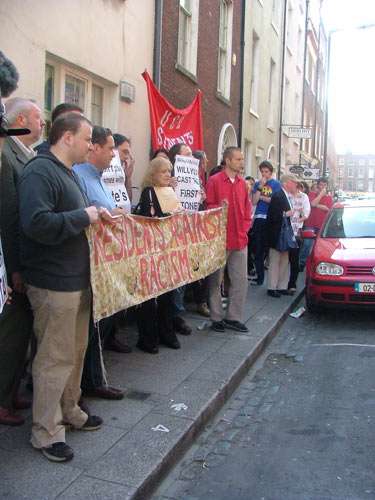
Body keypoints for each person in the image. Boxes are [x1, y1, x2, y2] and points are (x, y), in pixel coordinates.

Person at [19, 113, 104, 463]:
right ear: (67, 137)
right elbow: (36, 223)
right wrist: (85, 216)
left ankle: (70, 410)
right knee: (54, 358)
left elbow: (73, 214)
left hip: (76, 280)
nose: (90, 144)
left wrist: (95, 212)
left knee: (75, 352)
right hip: (54, 282)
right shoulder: (40, 171)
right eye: (86, 138)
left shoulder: (67, 172)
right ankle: (46, 432)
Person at [74, 126, 127, 399]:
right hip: (88, 265)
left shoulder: (99, 178)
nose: (113, 154)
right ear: (94, 147)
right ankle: (87, 383)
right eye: (109, 148)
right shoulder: (79, 175)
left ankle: (92, 380)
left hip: (105, 265)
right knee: (89, 329)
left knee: (99, 325)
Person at [0, 98, 44, 426]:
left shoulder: (26, 155)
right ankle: (2, 398)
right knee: (12, 334)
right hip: (12, 266)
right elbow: (9, 218)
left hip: (27, 262)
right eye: (39, 117)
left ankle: (12, 389)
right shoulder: (6, 155)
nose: (42, 124)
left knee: (22, 334)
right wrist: (14, 269)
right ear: (22, 119)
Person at [135, 156, 182, 353]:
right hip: (151, 252)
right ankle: (148, 338)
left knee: (167, 296)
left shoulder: (170, 192)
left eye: (169, 171)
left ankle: (167, 333)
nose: (167, 175)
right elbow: (150, 219)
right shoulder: (148, 192)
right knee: (149, 298)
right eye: (163, 171)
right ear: (153, 174)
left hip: (168, 251)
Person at [206, 147, 251, 333]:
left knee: (240, 280)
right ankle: (216, 317)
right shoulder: (214, 181)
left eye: (242, 159)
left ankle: (234, 317)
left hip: (240, 239)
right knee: (215, 280)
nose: (242, 162)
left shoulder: (242, 184)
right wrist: (219, 207)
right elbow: (208, 208)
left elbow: (247, 209)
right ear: (228, 160)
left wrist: (245, 229)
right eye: (239, 159)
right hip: (220, 240)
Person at [167, 142, 193, 335]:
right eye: (187, 155)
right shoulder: (168, 180)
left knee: (182, 276)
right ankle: (172, 315)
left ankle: (177, 312)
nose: (191, 158)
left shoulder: (192, 180)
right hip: (171, 236)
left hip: (187, 233)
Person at [266, 174, 299, 298]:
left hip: (284, 234)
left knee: (284, 260)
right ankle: (272, 287)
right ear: (286, 183)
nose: (296, 184)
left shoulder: (286, 195)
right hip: (277, 234)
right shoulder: (278, 195)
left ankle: (281, 286)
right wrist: (286, 214)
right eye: (293, 182)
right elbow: (273, 216)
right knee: (275, 260)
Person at [251, 161, 281, 286]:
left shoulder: (276, 184)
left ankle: (272, 278)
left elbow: (274, 201)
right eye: (262, 172)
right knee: (258, 249)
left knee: (268, 249)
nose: (264, 174)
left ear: (271, 172)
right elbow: (254, 201)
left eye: (266, 172)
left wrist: (263, 198)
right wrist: (259, 187)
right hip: (259, 217)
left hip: (270, 219)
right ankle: (260, 277)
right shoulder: (258, 184)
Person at [299, 177, 333, 270]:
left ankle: (315, 265)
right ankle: (301, 264)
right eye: (321, 185)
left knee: (319, 248)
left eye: (324, 185)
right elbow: (313, 203)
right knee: (306, 245)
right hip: (310, 224)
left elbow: (328, 209)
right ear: (318, 185)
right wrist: (321, 196)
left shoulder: (329, 197)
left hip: (321, 226)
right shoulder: (311, 194)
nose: (322, 187)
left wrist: (316, 204)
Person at [288, 181, 311, 293]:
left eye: (291, 185)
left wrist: (297, 220)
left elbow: (306, 214)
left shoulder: (304, 197)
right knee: (283, 259)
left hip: (296, 231)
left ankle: (292, 283)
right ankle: (282, 284)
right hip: (285, 230)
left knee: (294, 259)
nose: (289, 187)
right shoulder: (286, 195)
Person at [112, 133, 135, 205]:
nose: (127, 157)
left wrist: (128, 177)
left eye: (128, 153)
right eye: (125, 152)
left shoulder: (122, 173)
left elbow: (127, 202)